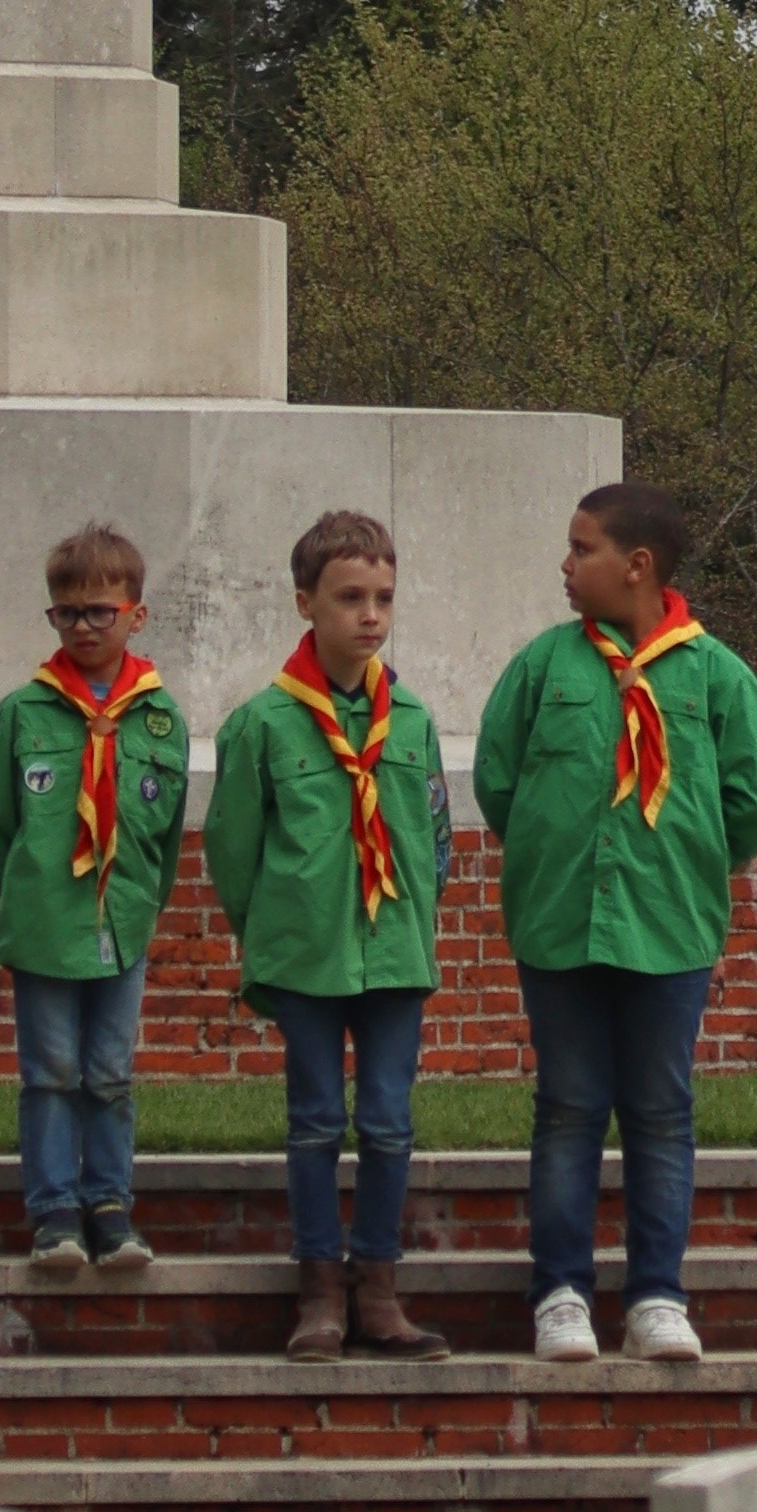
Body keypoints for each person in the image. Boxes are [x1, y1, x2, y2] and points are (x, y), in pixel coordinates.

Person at [472, 474, 757, 1368]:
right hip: (563, 920)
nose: (566, 565)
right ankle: (561, 1293)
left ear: (637, 565)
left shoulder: (714, 674)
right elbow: (500, 778)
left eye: (583, 548)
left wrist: (687, 860)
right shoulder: (545, 665)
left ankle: (656, 1294)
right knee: (568, 1107)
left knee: (659, 1110)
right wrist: (549, 849)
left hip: (669, 925)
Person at [204, 508, 453, 1360]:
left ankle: (378, 1289)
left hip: (392, 954)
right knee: (314, 1121)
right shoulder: (263, 725)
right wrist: (274, 929)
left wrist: (417, 917)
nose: (370, 615)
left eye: (384, 596)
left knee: (387, 1122)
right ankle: (318, 1291)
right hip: (307, 954)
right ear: (306, 601)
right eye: (350, 597)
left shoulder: (412, 720)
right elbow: (233, 851)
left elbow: (436, 837)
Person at [0, 520, 190, 1283]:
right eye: (67, 612)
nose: (84, 626)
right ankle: (54, 1213)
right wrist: (34, 894)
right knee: (50, 1070)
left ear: (136, 613)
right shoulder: (22, 714)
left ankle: (110, 1206)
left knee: (109, 1070)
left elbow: (163, 837)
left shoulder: (162, 718)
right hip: (46, 923)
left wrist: (136, 906)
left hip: (122, 922)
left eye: (101, 610)